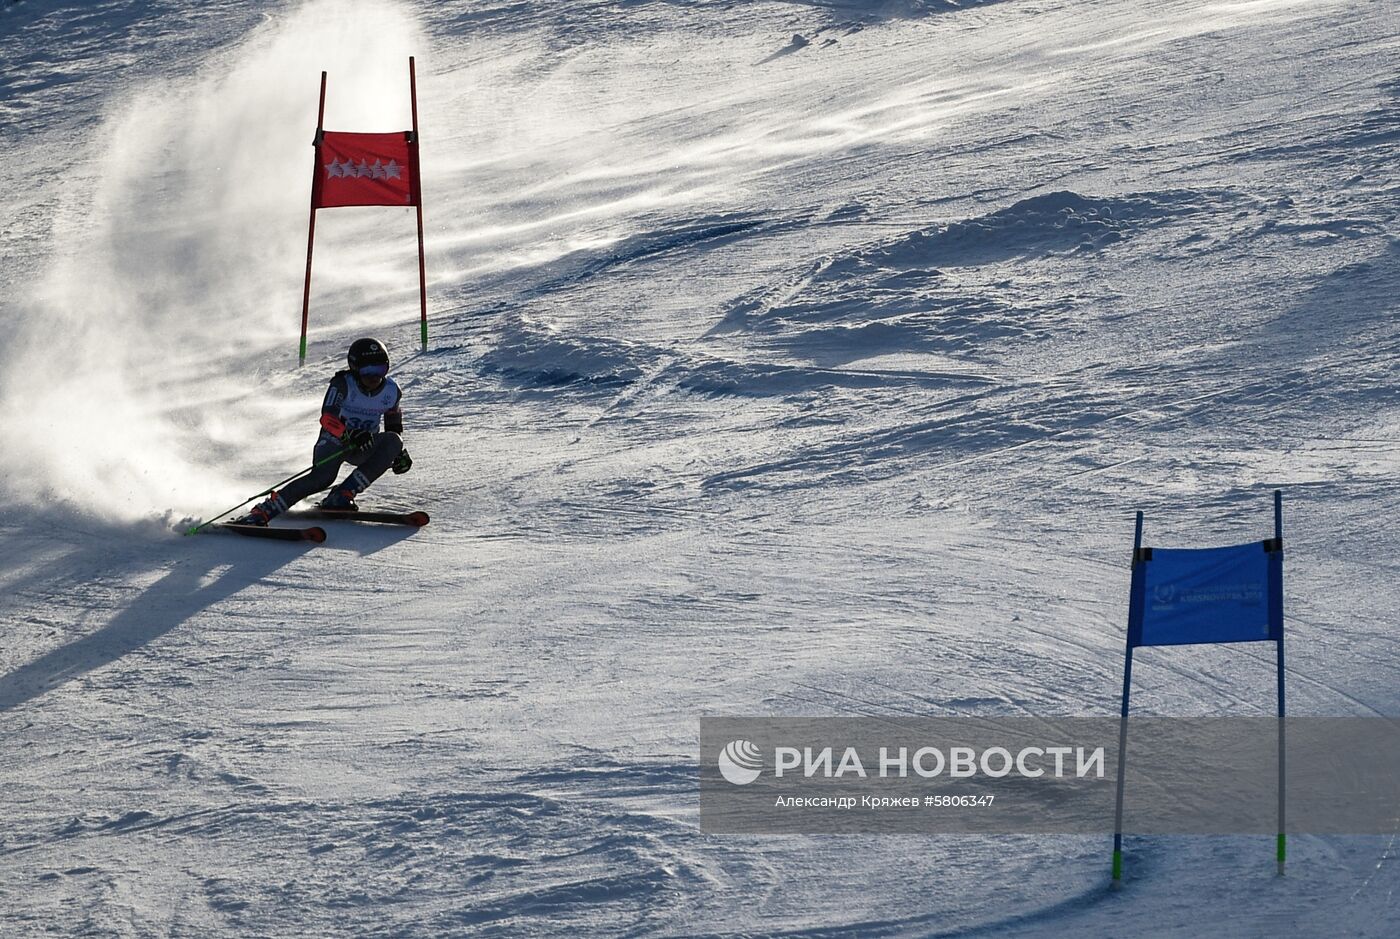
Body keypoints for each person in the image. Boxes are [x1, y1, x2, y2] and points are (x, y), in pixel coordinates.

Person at [236, 337, 412, 524]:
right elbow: (327, 418)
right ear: (354, 368)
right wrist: (349, 434)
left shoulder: (392, 391)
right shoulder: (342, 385)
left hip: (363, 444)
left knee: (394, 441)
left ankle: (343, 494)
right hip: (335, 441)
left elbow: (393, 427)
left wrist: (397, 453)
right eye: (367, 370)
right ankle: (265, 510)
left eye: (380, 370)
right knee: (323, 478)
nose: (374, 377)